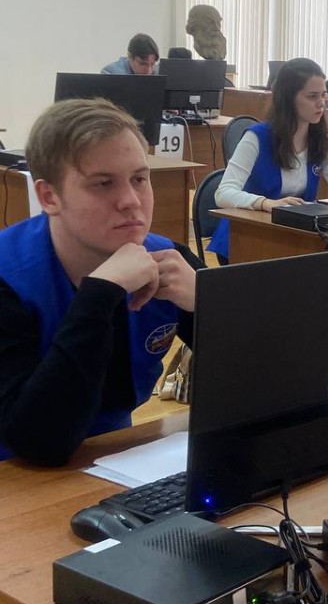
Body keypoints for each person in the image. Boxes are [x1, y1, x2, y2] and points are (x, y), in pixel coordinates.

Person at [0, 99, 201, 465]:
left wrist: (212, 307)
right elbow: (41, 442)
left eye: (139, 179)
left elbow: (265, 380)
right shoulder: (8, 278)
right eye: (104, 184)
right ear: (49, 196)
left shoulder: (169, 259)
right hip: (15, 472)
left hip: (113, 458)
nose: (131, 201)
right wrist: (100, 294)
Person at [211, 57, 328, 260]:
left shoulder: (322, 140)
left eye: (323, 95)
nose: (321, 103)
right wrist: (265, 203)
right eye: (312, 96)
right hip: (245, 239)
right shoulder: (257, 137)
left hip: (294, 239)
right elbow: (223, 193)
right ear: (288, 98)